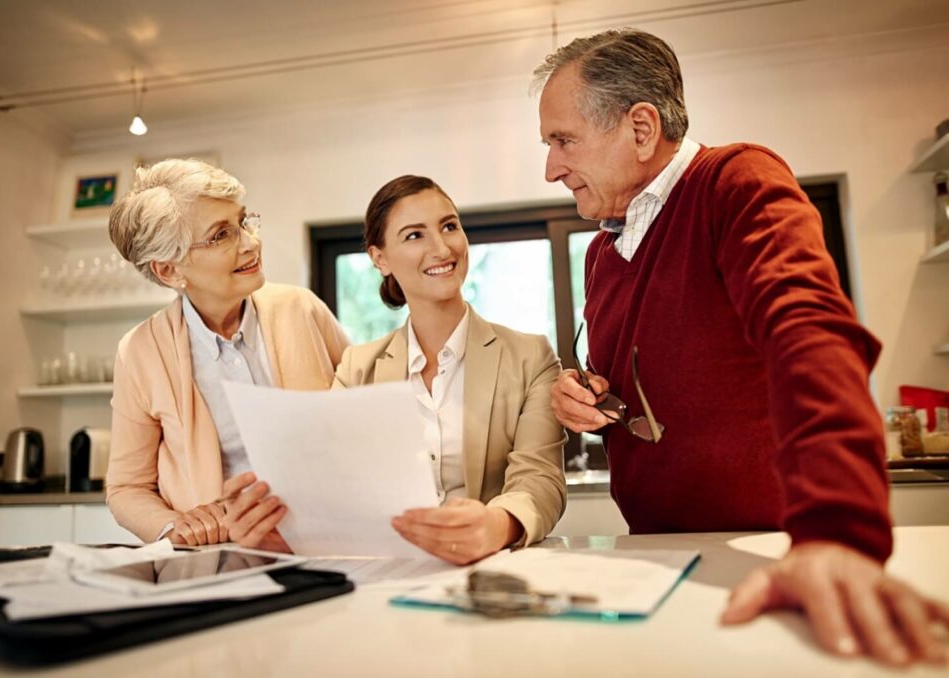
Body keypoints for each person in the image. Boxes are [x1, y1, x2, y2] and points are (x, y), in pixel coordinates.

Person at [534, 29, 948, 666]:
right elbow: (645, 378)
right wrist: (585, 394)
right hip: (658, 555)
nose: (551, 167)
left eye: (563, 140)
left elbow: (809, 334)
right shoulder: (600, 252)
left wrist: (837, 532)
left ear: (641, 128)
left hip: (777, 548)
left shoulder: (735, 181)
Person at [105, 159, 349, 549]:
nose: (251, 243)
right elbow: (126, 487)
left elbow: (364, 409)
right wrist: (176, 526)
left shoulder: (301, 309)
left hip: (330, 542)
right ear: (169, 271)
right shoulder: (139, 351)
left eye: (244, 221)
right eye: (221, 235)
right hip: (219, 557)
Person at [333, 175, 566, 564]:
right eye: (414, 236)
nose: (442, 248)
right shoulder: (357, 370)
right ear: (380, 258)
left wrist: (499, 522)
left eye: (449, 226)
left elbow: (540, 477)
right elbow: (334, 480)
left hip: (490, 569)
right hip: (386, 570)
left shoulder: (530, 357)